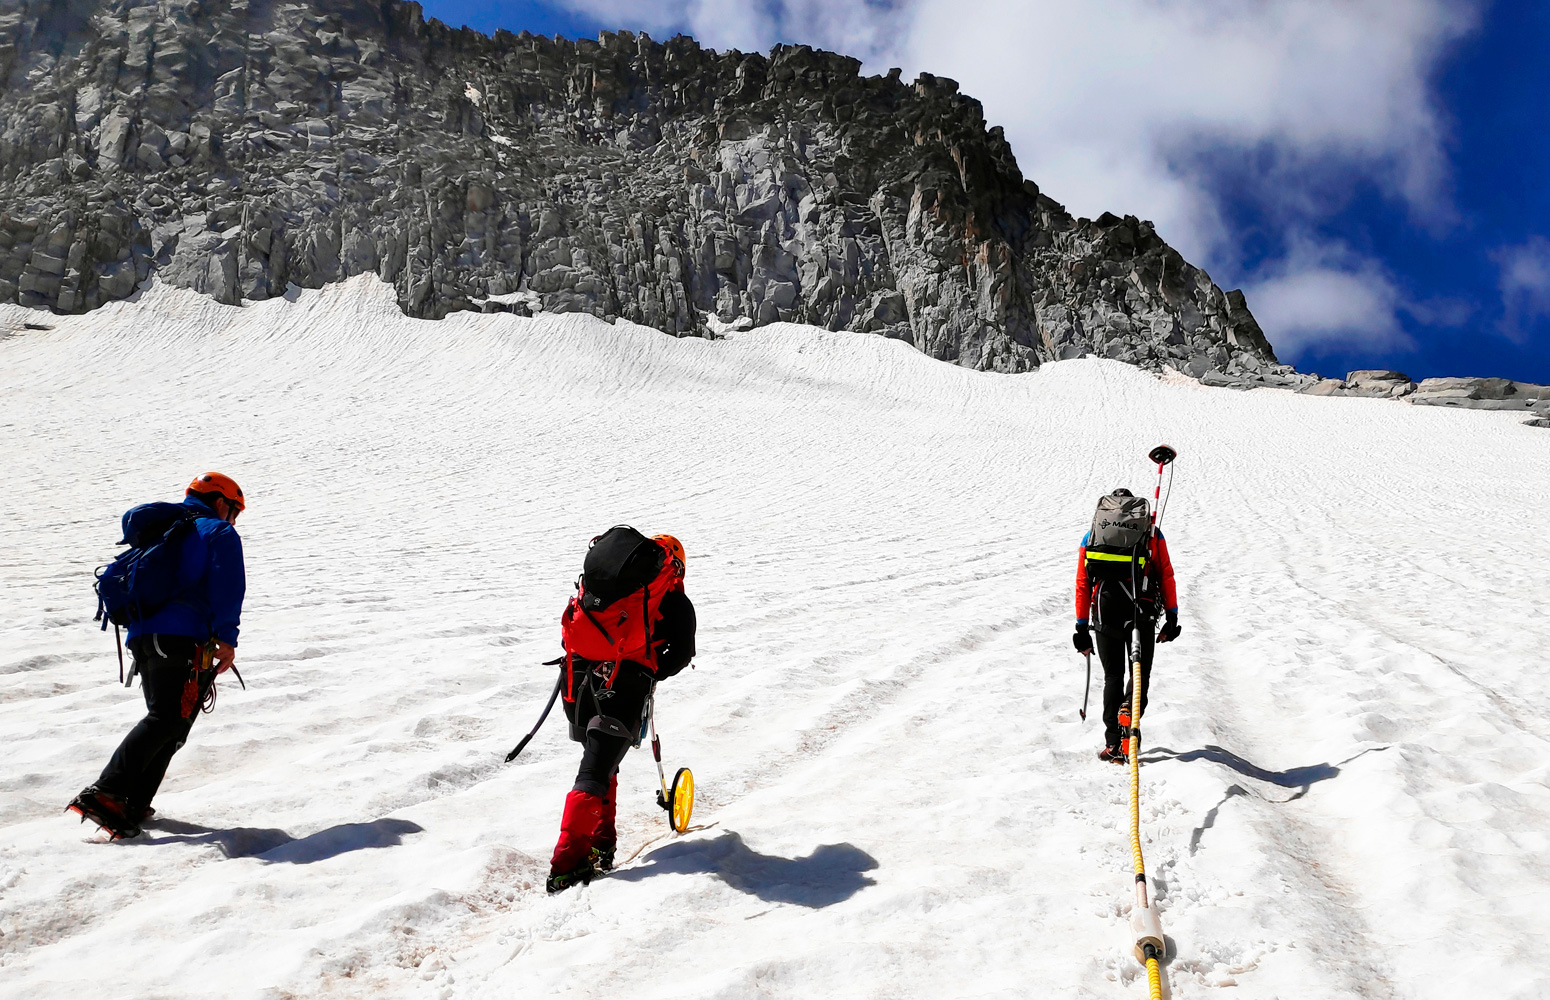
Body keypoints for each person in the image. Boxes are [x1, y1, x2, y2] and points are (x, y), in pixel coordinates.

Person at [68, 473, 247, 838]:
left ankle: (129, 803)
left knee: (172, 723)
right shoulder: (216, 532)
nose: (233, 519)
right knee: (167, 718)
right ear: (220, 502)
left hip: (143, 636)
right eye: (235, 511)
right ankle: (106, 792)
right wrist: (227, 637)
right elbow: (227, 586)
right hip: (181, 636)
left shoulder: (161, 531)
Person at [547, 531, 695, 893]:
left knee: (600, 761)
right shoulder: (672, 601)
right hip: (622, 688)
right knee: (595, 771)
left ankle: (601, 842)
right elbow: (679, 655)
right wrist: (646, 670)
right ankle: (566, 864)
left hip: (577, 682)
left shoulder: (608, 588)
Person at [1072, 488, 1180, 763]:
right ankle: (1129, 715)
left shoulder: (1094, 534)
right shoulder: (1151, 534)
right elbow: (1165, 573)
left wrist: (1081, 627)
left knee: (1112, 677)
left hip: (1105, 610)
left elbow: (1083, 583)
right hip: (1140, 609)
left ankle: (1114, 744)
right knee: (1139, 675)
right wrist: (1172, 615)